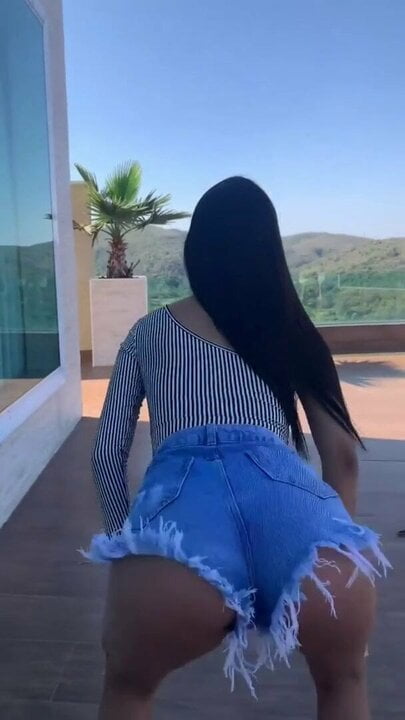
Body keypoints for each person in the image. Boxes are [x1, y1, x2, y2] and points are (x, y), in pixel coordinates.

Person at [85, 177, 389, 720]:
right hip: (293, 512)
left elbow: (107, 455)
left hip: (182, 525)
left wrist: (128, 546)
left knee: (128, 689)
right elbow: (341, 458)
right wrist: (327, 539)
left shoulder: (148, 332)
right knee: (343, 681)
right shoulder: (291, 328)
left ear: (196, 248)